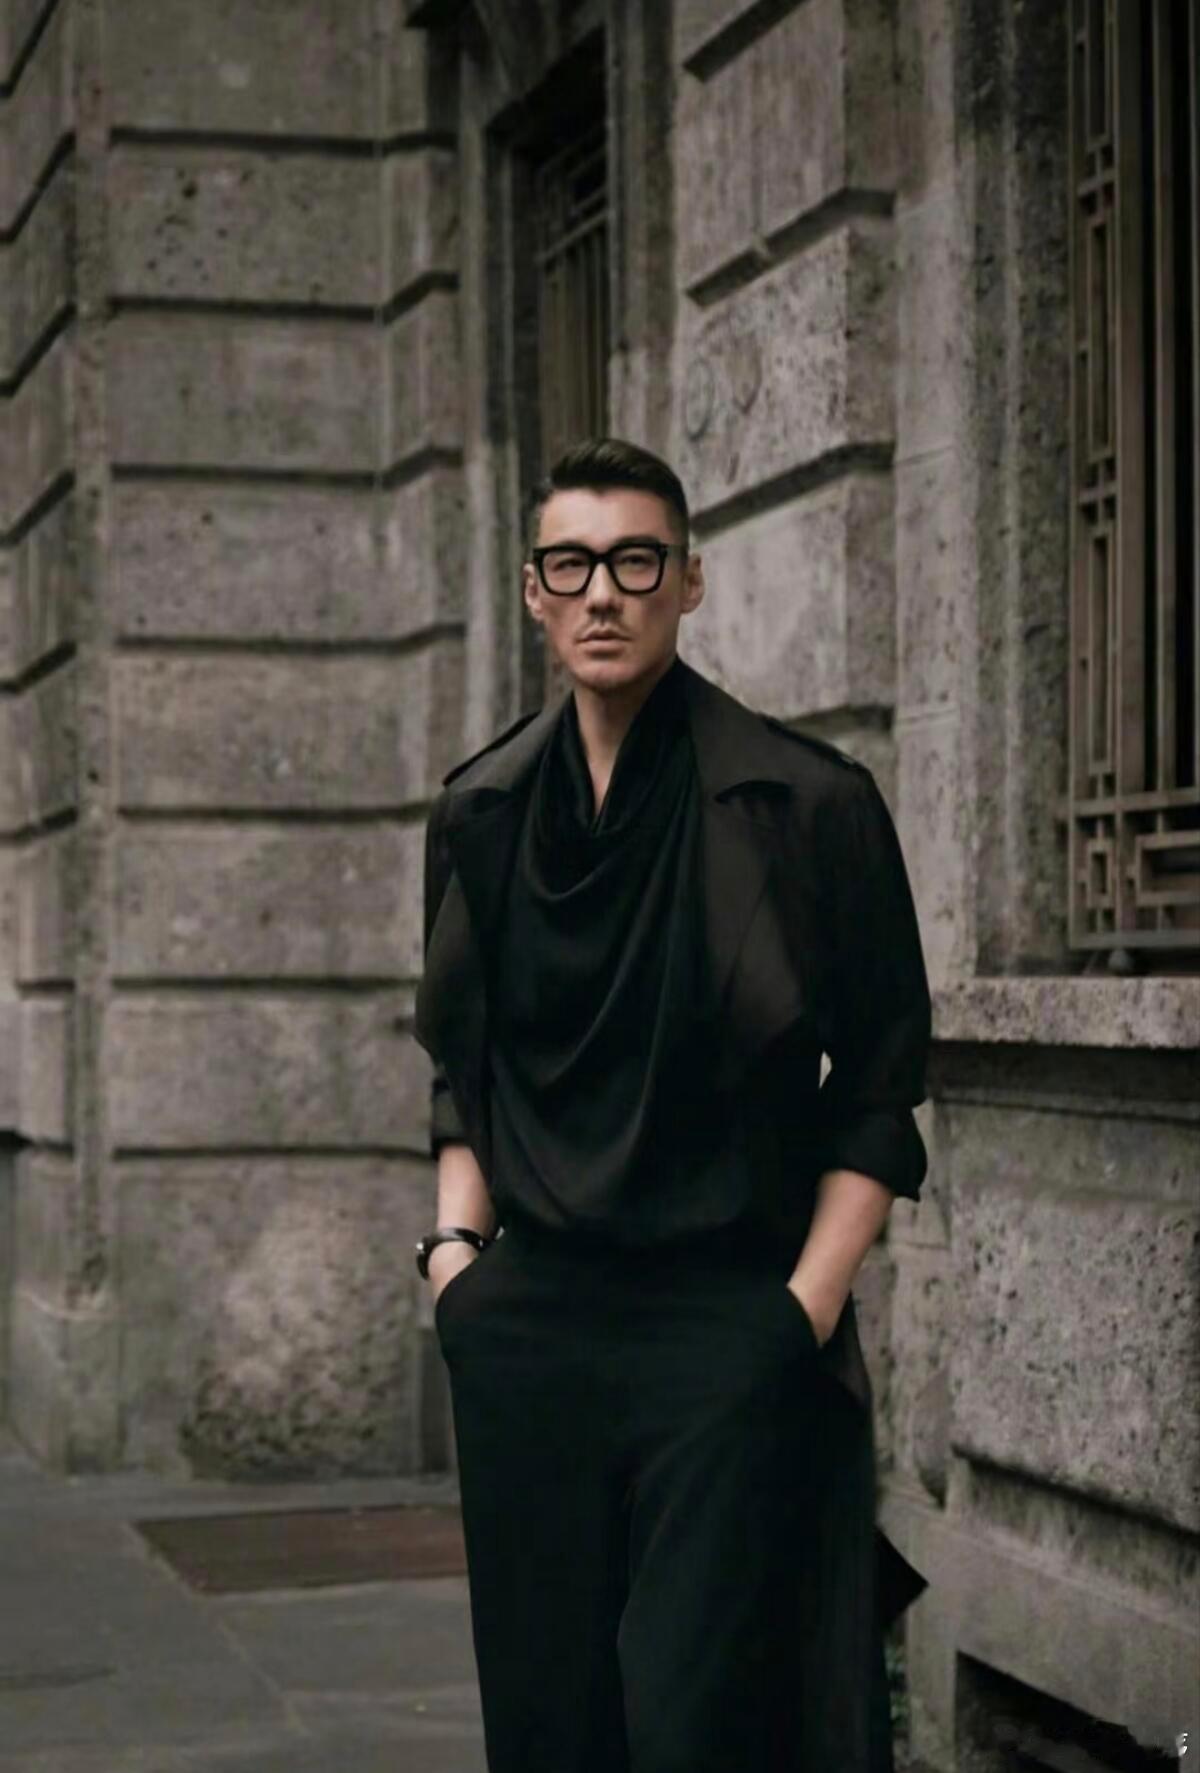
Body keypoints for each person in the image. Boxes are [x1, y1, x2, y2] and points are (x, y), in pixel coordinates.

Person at [413, 436, 932, 1773]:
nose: (604, 592)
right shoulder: (478, 811)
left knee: (714, 1725)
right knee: (553, 1726)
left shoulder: (808, 804)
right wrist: (456, 1263)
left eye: (637, 561)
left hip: (726, 1321)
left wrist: (800, 1309)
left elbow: (883, 1079)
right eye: (572, 564)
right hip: (532, 1331)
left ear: (688, 582)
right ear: (533, 590)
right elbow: (463, 1066)